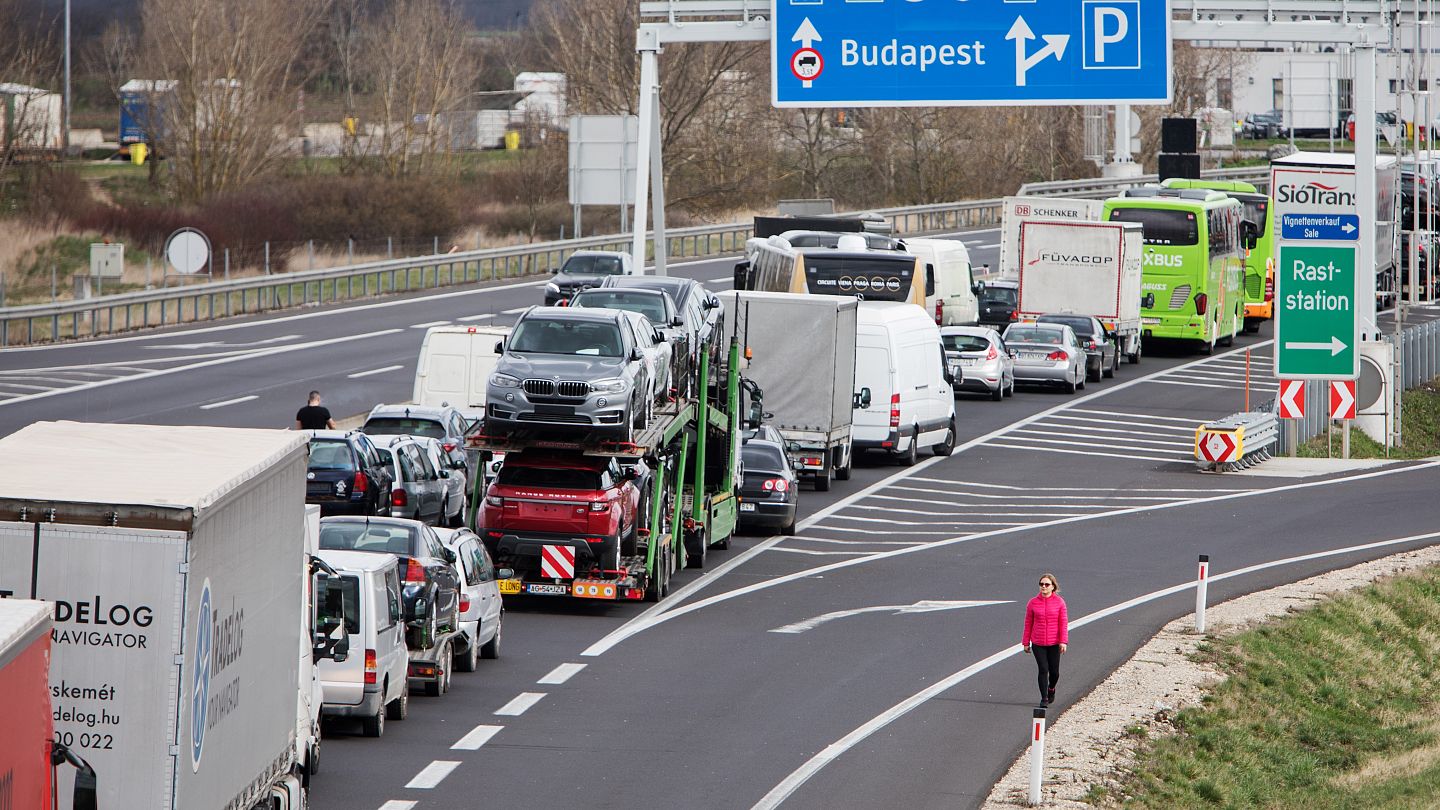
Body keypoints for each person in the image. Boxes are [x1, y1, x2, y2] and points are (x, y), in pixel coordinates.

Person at [1021, 572, 1068, 707]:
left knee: (1055, 672)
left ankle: (1051, 688)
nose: (1044, 587)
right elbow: (1028, 622)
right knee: (1043, 669)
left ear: (1053, 586)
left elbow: (1063, 623)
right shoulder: (1033, 603)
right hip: (1038, 643)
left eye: (1047, 584)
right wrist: (1026, 642)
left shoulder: (1059, 602)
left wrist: (1063, 641)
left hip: (1054, 643)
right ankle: (1044, 698)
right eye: (1041, 584)